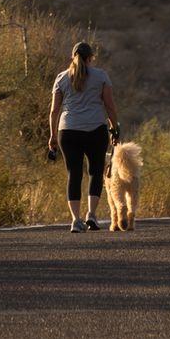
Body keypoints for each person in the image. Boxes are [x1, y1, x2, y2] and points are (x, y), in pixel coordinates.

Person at [49, 40, 120, 232]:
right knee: (95, 172)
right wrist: (115, 128)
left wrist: (53, 136)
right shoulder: (101, 76)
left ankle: (75, 220)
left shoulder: (61, 78)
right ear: (90, 59)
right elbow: (109, 105)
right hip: (95, 130)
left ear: (72, 57)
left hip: (68, 131)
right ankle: (92, 216)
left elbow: (54, 111)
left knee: (74, 174)